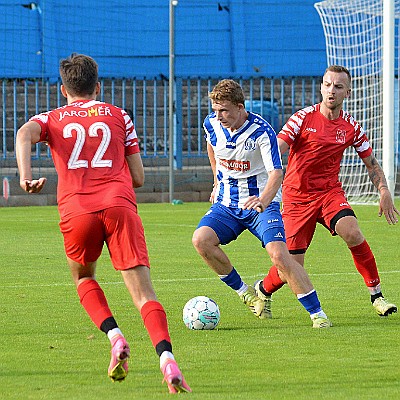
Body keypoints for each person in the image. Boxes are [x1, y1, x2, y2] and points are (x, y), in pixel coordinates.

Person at [16, 53, 191, 394]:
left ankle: (114, 336)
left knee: (83, 276)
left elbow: (23, 134)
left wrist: (26, 176)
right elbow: (138, 177)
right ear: (98, 86)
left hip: (77, 209)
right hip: (119, 206)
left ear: (63, 89)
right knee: (144, 294)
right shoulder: (119, 115)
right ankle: (166, 358)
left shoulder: (51, 118)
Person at [255, 65, 398, 319]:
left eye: (338, 86)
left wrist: (384, 190)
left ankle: (377, 295)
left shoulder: (351, 126)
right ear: (321, 87)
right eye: (327, 85)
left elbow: (371, 163)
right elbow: (277, 148)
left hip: (329, 193)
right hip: (297, 198)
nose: (331, 91)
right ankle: (263, 289)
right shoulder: (302, 118)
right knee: (292, 267)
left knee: (352, 232)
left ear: (348, 93)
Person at [192, 79, 332, 328]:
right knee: (201, 240)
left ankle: (317, 314)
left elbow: (277, 173)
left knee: (279, 255)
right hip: (227, 204)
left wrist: (263, 201)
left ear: (239, 107)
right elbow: (212, 147)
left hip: (261, 204)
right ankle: (245, 292)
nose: (219, 115)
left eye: (224, 110)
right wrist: (216, 181)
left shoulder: (261, 130)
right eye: (215, 110)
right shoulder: (211, 123)